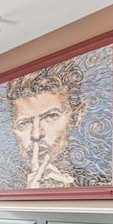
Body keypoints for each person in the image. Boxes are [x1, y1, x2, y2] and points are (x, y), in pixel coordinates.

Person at [6, 60, 87, 188]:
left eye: (51, 116)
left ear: (75, 116)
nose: (36, 135)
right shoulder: (3, 188)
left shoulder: (101, 184)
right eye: (23, 123)